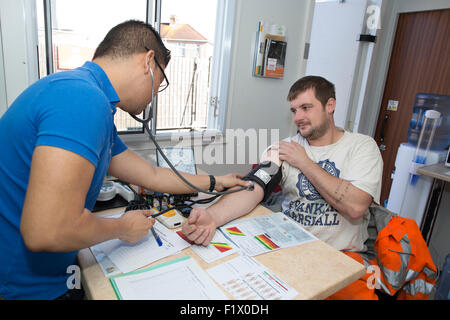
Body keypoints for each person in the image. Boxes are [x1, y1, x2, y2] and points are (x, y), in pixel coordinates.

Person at [0, 20, 248, 300]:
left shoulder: (84, 98)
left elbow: (151, 176)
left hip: (50, 275)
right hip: (26, 289)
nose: (154, 95)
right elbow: (46, 231)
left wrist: (216, 181)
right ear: (148, 62)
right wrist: (121, 228)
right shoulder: (82, 101)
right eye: (160, 82)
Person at [182, 76, 383, 297]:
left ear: (330, 105)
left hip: (342, 257)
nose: (298, 117)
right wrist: (211, 217)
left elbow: (356, 206)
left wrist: (304, 163)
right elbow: (255, 187)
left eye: (306, 108)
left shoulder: (361, 147)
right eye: (294, 110)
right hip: (291, 252)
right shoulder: (282, 150)